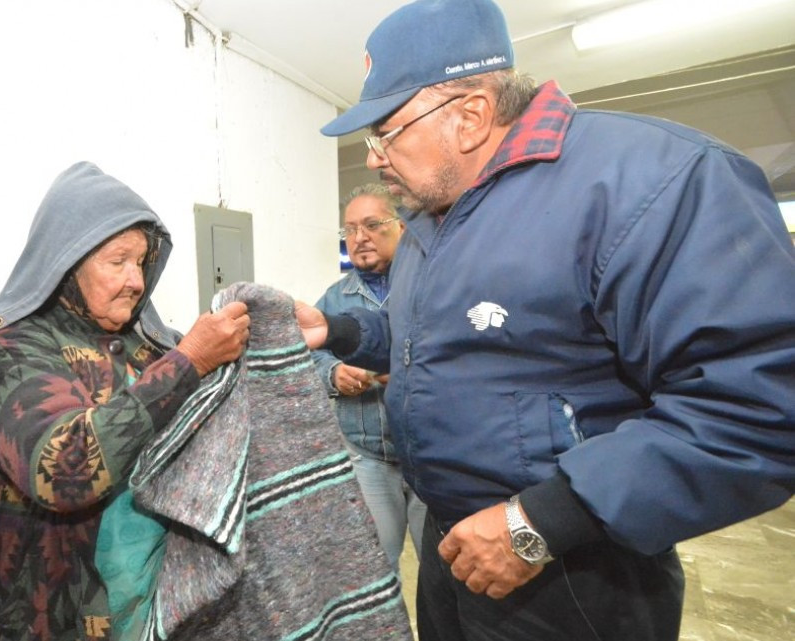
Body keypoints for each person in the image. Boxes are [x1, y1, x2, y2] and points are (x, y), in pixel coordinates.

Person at [296, 1, 795, 639]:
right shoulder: (431, 218)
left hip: (570, 571)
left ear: (470, 114)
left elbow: (757, 406)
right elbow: (434, 341)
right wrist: (336, 332)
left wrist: (543, 523)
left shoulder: (651, 183)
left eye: (385, 134)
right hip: (451, 549)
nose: (374, 159)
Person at [0, 161, 250, 641]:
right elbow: (63, 470)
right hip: (57, 622)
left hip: (153, 610)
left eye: (141, 261)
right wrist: (189, 362)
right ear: (68, 262)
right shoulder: (13, 349)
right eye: (117, 260)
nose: (137, 280)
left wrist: (285, 346)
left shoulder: (148, 345)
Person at [311, 183, 426, 567]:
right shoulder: (334, 299)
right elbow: (308, 353)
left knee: (442, 570)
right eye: (350, 229)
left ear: (403, 226)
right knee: (373, 567)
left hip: (430, 454)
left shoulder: (429, 286)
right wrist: (333, 372)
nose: (359, 238)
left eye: (372, 225)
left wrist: (415, 375)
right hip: (368, 457)